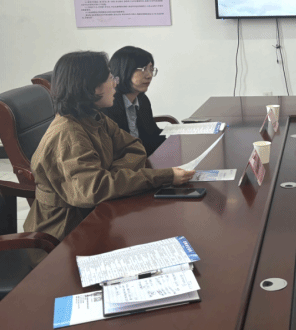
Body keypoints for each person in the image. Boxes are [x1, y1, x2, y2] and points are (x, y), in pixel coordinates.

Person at [24, 51, 194, 240]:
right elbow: (95, 190)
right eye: (110, 78)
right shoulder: (68, 134)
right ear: (91, 87)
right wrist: (165, 176)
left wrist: (112, 177)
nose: (115, 84)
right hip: (65, 235)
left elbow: (135, 147)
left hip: (94, 215)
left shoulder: (95, 117)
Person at [102, 46, 166, 156]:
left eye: (151, 69)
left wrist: (180, 136)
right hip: (125, 163)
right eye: (143, 69)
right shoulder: (108, 104)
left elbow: (153, 136)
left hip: (143, 160)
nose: (149, 76)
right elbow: (115, 150)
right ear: (123, 70)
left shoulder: (142, 100)